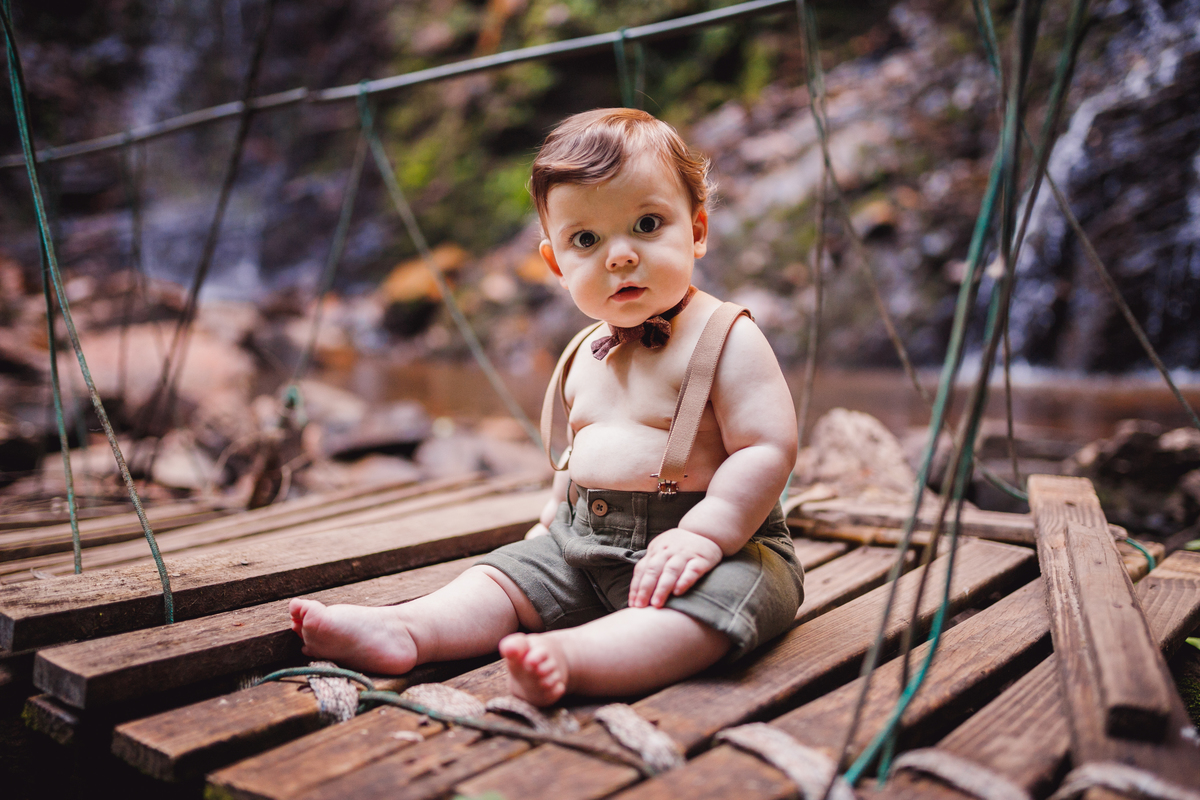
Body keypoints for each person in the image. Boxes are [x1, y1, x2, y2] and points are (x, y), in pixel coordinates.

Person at [290, 108, 804, 706]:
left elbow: (768, 448)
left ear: (696, 230)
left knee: (708, 614)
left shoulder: (726, 336)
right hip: (585, 539)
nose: (618, 256)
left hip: (720, 547)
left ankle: (578, 659)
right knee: (500, 580)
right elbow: (577, 456)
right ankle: (408, 627)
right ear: (557, 263)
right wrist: (548, 523)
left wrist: (706, 535)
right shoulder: (585, 351)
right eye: (587, 239)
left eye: (646, 223)